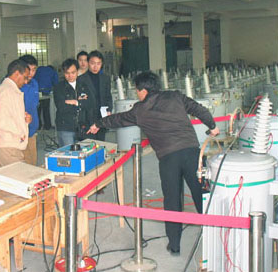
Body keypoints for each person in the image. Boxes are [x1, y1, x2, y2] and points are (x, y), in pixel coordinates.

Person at [87, 71, 219, 256]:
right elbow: (199, 109)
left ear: (143, 91)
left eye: (137, 90)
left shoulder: (140, 110)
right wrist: (212, 126)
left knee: (172, 201)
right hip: (192, 154)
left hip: (168, 160)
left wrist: (98, 124)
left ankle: (175, 245)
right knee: (201, 194)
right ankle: (215, 237)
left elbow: (118, 119)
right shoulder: (175, 96)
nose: (136, 94)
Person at [0, 59, 32, 167]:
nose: (26, 82)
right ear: (17, 73)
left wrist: (25, 119)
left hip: (12, 143)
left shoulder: (11, 90)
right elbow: (2, 121)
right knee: (17, 175)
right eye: (25, 77)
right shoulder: (6, 91)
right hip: (8, 144)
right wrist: (20, 134)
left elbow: (11, 115)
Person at [53, 58, 96, 146]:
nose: (70, 76)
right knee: (69, 152)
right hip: (65, 127)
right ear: (63, 73)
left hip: (83, 126)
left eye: (73, 72)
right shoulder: (58, 88)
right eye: (67, 73)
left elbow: (91, 103)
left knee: (84, 151)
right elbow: (62, 107)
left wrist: (76, 102)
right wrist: (81, 103)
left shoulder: (84, 85)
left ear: (77, 71)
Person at [78, 50, 113, 141]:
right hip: (87, 117)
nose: (95, 66)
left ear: (101, 64)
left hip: (101, 116)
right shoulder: (80, 79)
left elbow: (108, 96)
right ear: (88, 63)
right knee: (88, 143)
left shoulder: (105, 78)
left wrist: (109, 110)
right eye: (92, 63)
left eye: (98, 63)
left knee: (101, 142)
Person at [19, 54, 40, 165]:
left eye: (34, 70)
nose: (31, 73)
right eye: (29, 70)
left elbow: (35, 105)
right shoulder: (16, 85)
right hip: (20, 131)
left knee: (33, 161)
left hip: (32, 129)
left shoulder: (35, 83)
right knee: (24, 163)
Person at [34, 64, 59, 130]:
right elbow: (56, 82)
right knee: (46, 110)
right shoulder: (53, 71)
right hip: (46, 92)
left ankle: (38, 126)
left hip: (37, 92)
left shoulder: (38, 70)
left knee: (37, 110)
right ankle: (47, 126)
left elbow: (33, 80)